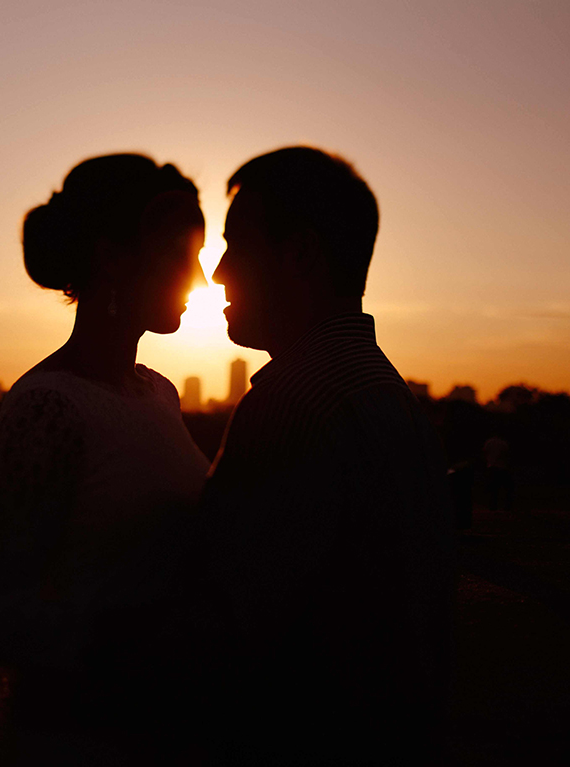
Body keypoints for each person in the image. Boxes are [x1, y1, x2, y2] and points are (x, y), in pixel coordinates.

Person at [185, 147, 456, 764]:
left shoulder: (294, 403)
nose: (218, 273)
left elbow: (224, 626)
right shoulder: (390, 397)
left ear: (301, 253)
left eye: (237, 245)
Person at [0, 153, 211, 764]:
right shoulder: (48, 407)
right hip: (75, 735)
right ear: (111, 256)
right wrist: (134, 639)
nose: (202, 280)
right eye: (184, 256)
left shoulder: (161, 394)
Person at [483, 433, 513, 511]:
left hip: (492, 466)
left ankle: (493, 506)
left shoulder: (489, 442)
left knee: (493, 487)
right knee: (505, 487)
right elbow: (507, 454)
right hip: (501, 467)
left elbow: (485, 452)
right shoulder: (503, 443)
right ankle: (506, 506)